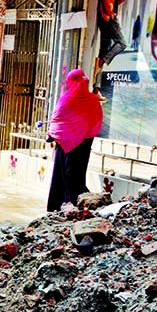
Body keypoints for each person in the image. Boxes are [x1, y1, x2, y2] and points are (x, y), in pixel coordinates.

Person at [46, 69, 103, 212]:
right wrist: (84, 133)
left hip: (65, 144)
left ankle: (60, 205)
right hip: (84, 144)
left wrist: (51, 135)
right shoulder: (93, 100)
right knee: (77, 175)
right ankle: (78, 204)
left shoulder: (66, 99)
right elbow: (97, 120)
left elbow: (57, 119)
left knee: (62, 175)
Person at [93, 0, 132, 92]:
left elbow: (114, 0)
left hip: (108, 15)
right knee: (122, 43)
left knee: (103, 49)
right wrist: (110, 15)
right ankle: (103, 60)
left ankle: (95, 88)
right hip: (107, 17)